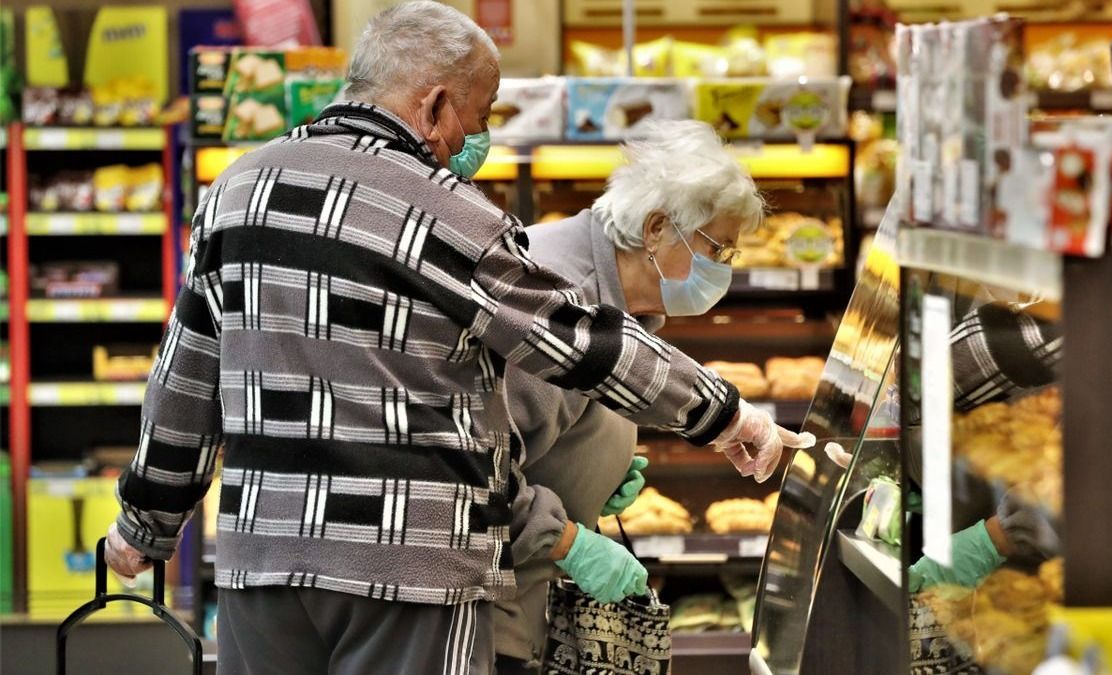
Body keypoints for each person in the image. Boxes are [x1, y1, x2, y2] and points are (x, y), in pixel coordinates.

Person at [101, 3, 807, 673]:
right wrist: (725, 415)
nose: (480, 133)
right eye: (483, 112)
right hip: (410, 574)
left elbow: (186, 378)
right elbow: (575, 339)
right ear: (436, 105)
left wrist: (145, 523)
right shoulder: (444, 214)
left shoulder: (236, 190)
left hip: (266, 560)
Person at [496, 120, 779, 673]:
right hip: (494, 607)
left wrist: (594, 464)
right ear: (655, 230)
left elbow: (561, 414)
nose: (723, 269)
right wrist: (567, 540)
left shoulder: (623, 293)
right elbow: (469, 473)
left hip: (531, 593)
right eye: (718, 249)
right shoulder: (562, 296)